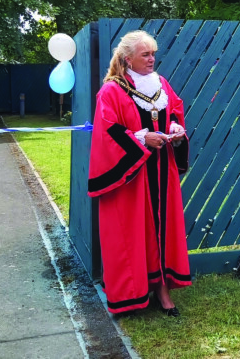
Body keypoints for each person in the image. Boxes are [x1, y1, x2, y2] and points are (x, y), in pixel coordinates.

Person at [87, 30, 191, 317]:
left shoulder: (162, 84)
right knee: (133, 233)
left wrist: (174, 129)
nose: (151, 59)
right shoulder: (111, 90)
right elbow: (108, 131)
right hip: (133, 176)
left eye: (153, 53)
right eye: (145, 54)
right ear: (127, 58)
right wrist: (143, 139)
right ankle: (133, 291)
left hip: (162, 171)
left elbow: (174, 112)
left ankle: (162, 289)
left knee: (162, 227)